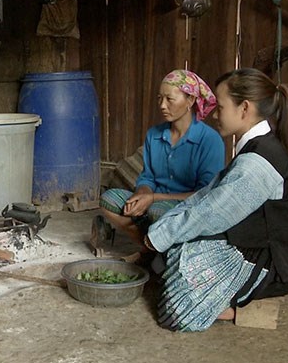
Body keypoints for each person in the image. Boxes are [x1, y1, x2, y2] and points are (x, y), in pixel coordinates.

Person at [144, 67, 288, 332]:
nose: (214, 115)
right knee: (173, 247)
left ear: (244, 108)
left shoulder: (258, 162)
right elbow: (208, 195)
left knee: (176, 306)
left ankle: (230, 310)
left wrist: (160, 236)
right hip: (252, 241)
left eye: (219, 107)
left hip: (274, 263)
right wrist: (164, 230)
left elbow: (211, 214)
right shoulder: (255, 147)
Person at [95, 69, 225, 263]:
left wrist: (153, 197)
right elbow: (147, 177)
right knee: (109, 200)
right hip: (153, 201)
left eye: (170, 99)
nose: (162, 105)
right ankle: (150, 251)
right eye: (160, 98)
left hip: (187, 207)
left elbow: (205, 193)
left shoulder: (209, 140)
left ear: (190, 101)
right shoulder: (154, 135)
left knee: (158, 211)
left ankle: (159, 256)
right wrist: (141, 193)